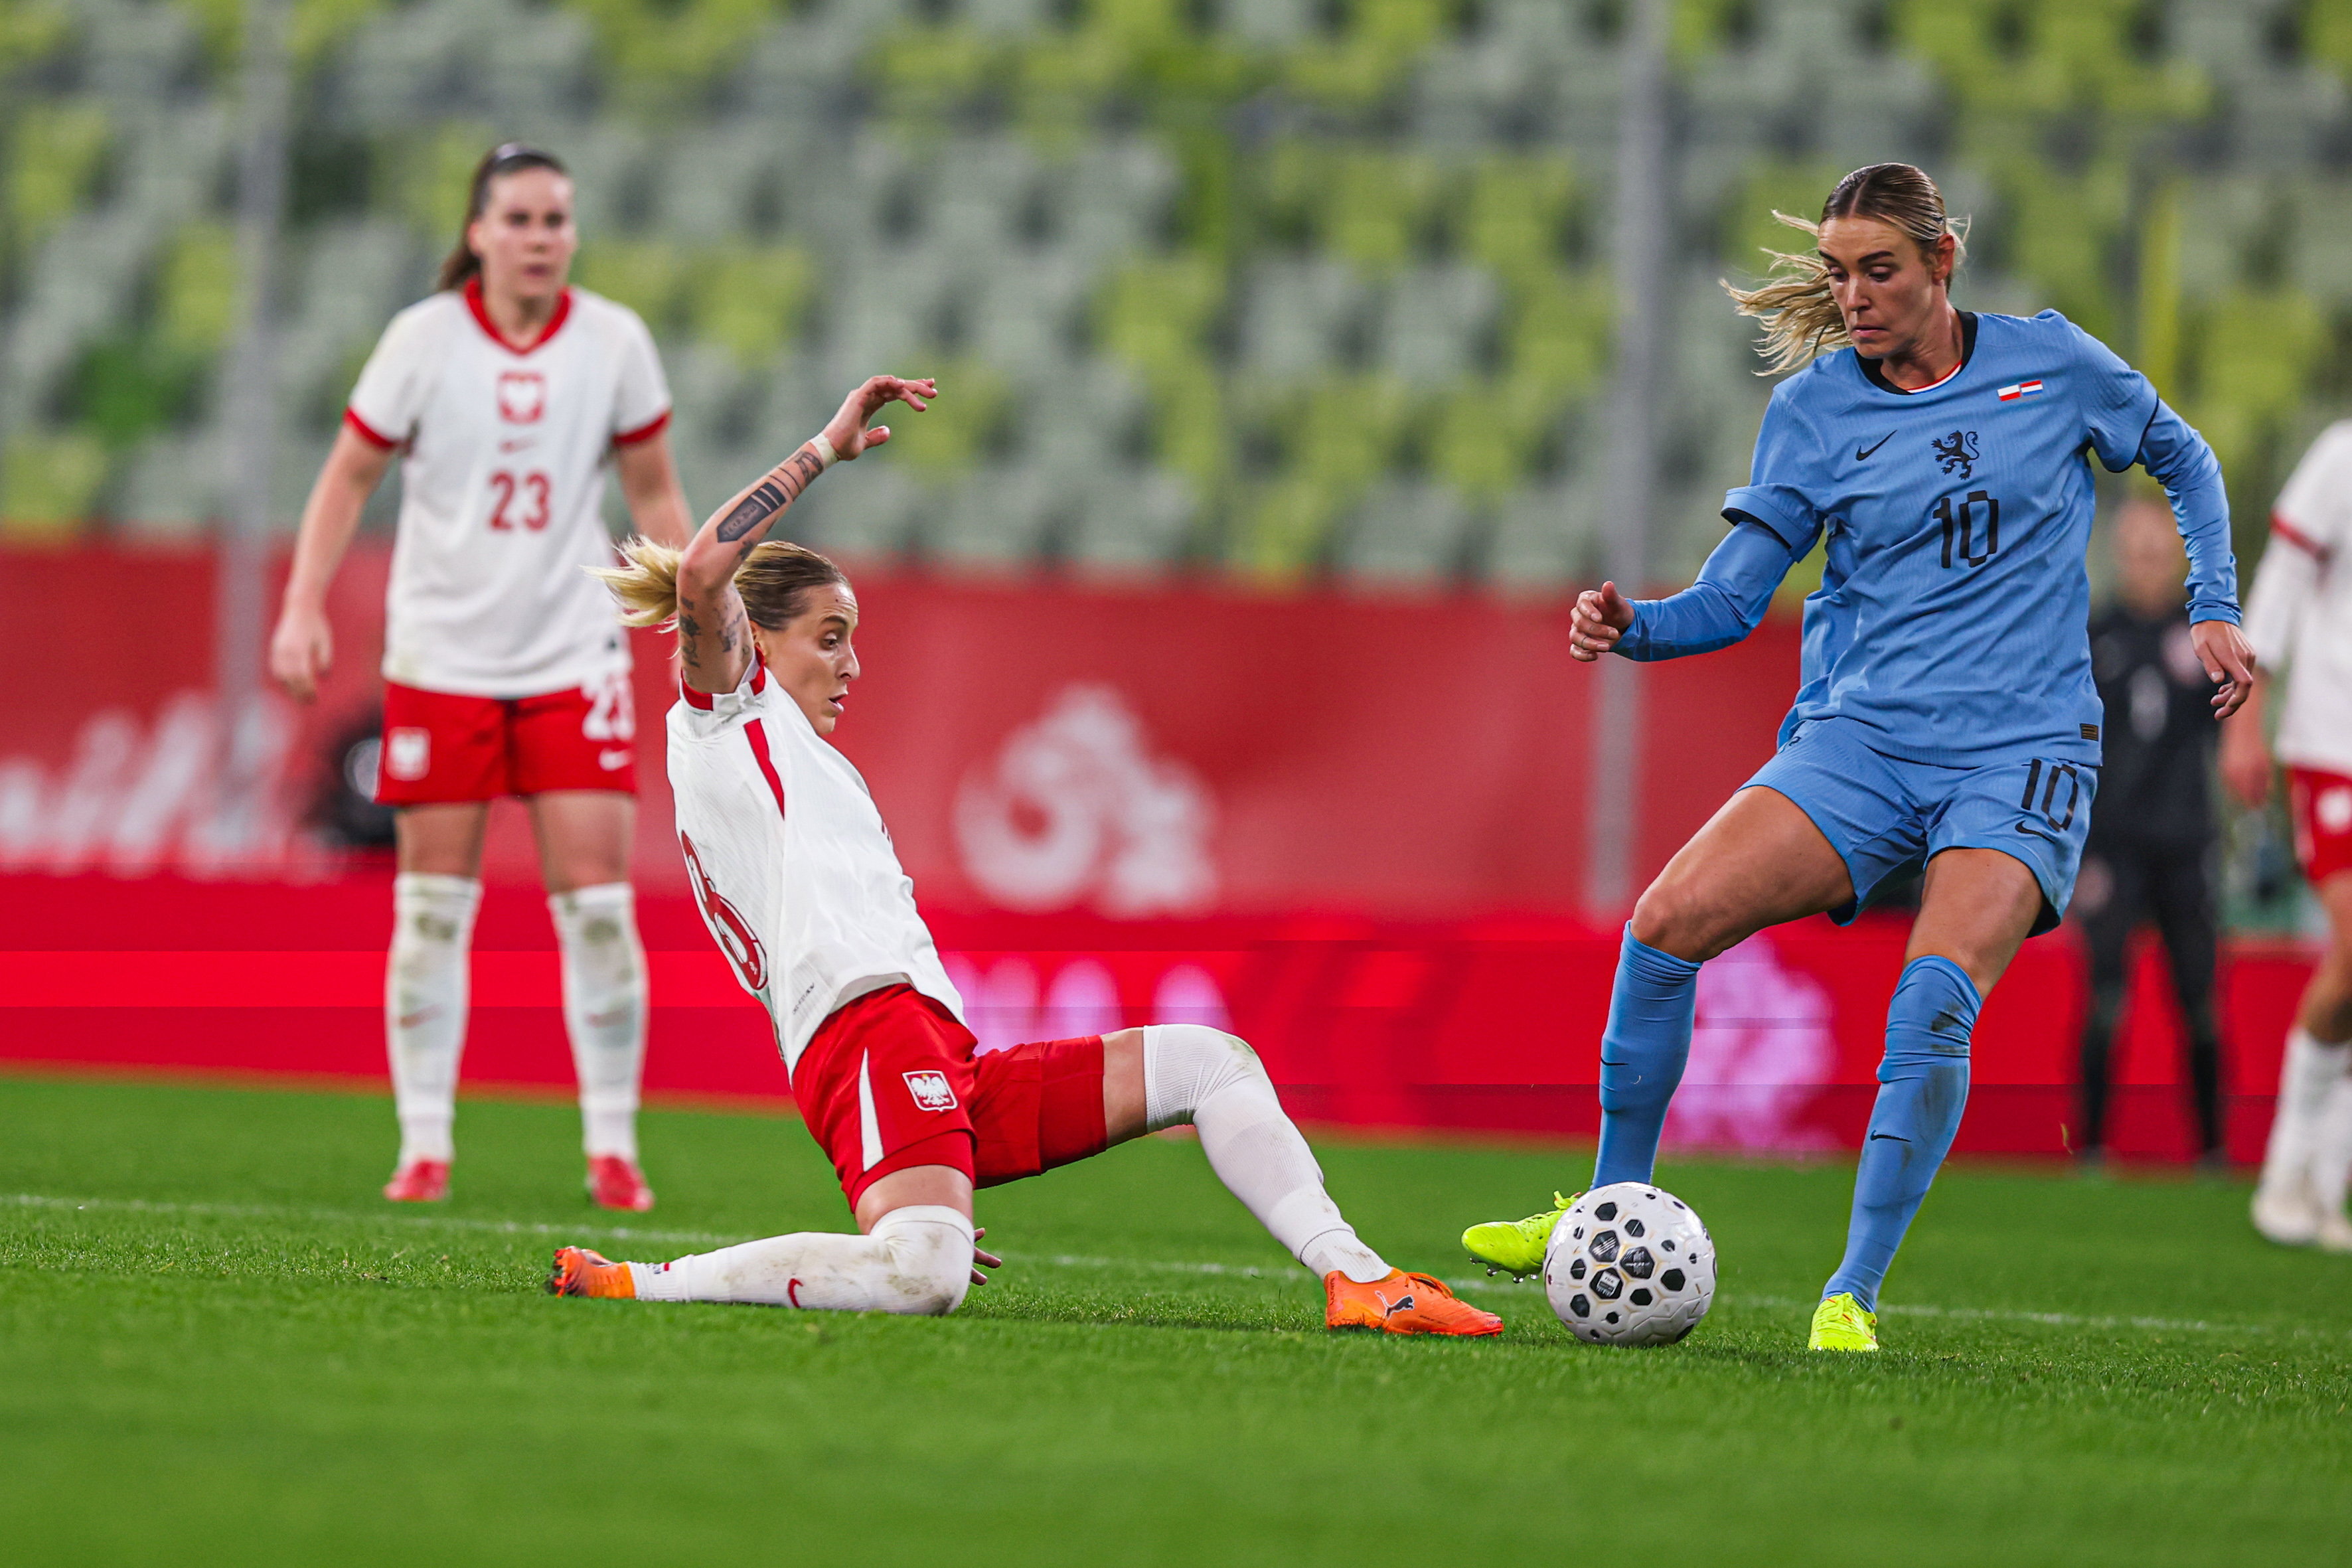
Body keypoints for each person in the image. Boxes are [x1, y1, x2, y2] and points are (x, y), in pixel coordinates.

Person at [1455, 163, 2252, 1350]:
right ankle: (1605, 1204)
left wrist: (2212, 603)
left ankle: (1852, 1293)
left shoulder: (2054, 364)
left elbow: (2182, 458)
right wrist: (1636, 628)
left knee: (1932, 994)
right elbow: (1732, 602)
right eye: (1836, 274)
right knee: (1664, 922)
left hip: (2020, 746)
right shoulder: (1817, 409)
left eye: (1877, 269)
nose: (1853, 295)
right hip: (1862, 741)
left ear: (1942, 261)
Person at [544, 374, 1501, 1336]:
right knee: (925, 1277)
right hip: (860, 1031)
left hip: (941, 1051)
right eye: (830, 638)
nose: (851, 664)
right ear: (755, 639)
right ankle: (641, 1282)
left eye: (855, 641)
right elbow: (704, 575)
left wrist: (935, 1167)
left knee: (1208, 1062)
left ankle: (1363, 1278)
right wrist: (825, 450)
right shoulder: (723, 716)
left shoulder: (810, 764)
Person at [268, 144, 694, 1210]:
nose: (541, 237)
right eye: (520, 219)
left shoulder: (613, 341)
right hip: (441, 657)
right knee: (430, 909)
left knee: (596, 907)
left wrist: (693, 603)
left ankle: (611, 1145)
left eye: (556, 219)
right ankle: (424, 1144)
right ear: (478, 232)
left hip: (570, 651)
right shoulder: (422, 340)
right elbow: (347, 476)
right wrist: (300, 603)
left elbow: (653, 491)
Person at [2074, 495, 2227, 1169]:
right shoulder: (2093, 634)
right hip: (2112, 845)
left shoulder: (2204, 636)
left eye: (2158, 553)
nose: (2146, 564)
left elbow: (2236, 725)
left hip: (2185, 842)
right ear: (2119, 554)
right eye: (2136, 551)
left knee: (2198, 996)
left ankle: (2214, 1151)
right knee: (2107, 994)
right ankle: (2092, 1148)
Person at [2231, 422, 2352, 1251]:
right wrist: (2245, 720)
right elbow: (2279, 579)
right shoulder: (2344, 453)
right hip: (2332, 739)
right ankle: (2284, 1173)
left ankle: (2324, 1187)